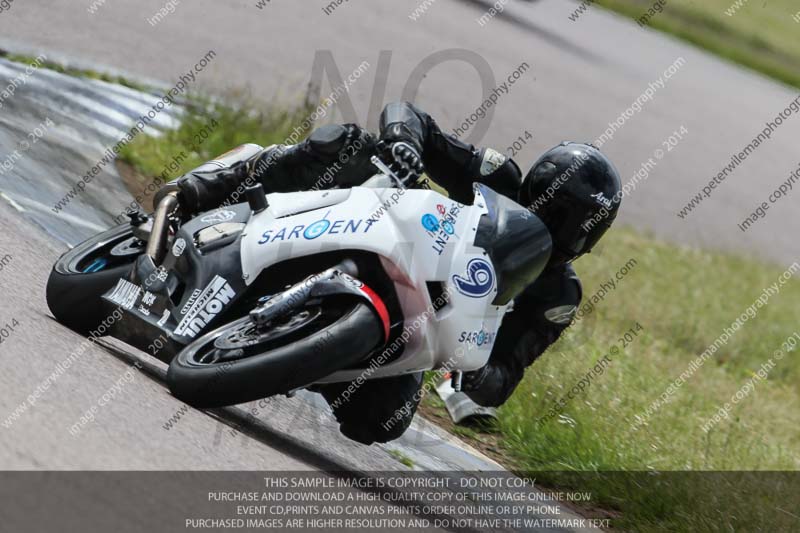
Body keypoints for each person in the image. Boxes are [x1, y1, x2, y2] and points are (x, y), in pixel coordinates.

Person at [174, 101, 622, 444]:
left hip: (413, 327)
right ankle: (227, 182)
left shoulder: (556, 296)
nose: (565, 233)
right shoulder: (495, 177)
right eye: (560, 213)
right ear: (535, 189)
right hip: (381, 230)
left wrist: (478, 380)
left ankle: (297, 350)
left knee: (381, 420)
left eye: (581, 228)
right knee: (349, 146)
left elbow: (507, 373)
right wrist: (403, 141)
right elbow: (412, 116)